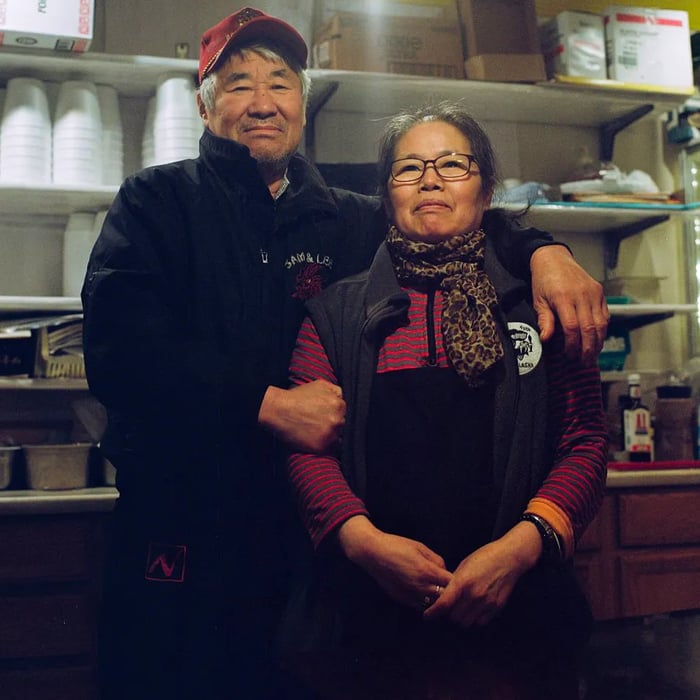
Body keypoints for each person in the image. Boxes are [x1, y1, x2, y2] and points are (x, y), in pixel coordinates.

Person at [81, 7, 607, 699]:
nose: (262, 101)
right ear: (204, 104)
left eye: (279, 81)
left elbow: (452, 218)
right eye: (237, 84)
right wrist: (265, 405)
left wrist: (548, 252)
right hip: (184, 522)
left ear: (302, 100)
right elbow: (121, 349)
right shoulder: (156, 202)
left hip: (300, 546)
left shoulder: (348, 217)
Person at [281, 101, 609, 699]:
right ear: (388, 196)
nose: (429, 179)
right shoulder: (334, 313)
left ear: (486, 193)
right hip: (372, 616)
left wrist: (519, 548)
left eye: (452, 164)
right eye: (409, 169)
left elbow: (584, 441)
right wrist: (364, 543)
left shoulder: (538, 306)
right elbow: (309, 449)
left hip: (520, 613)